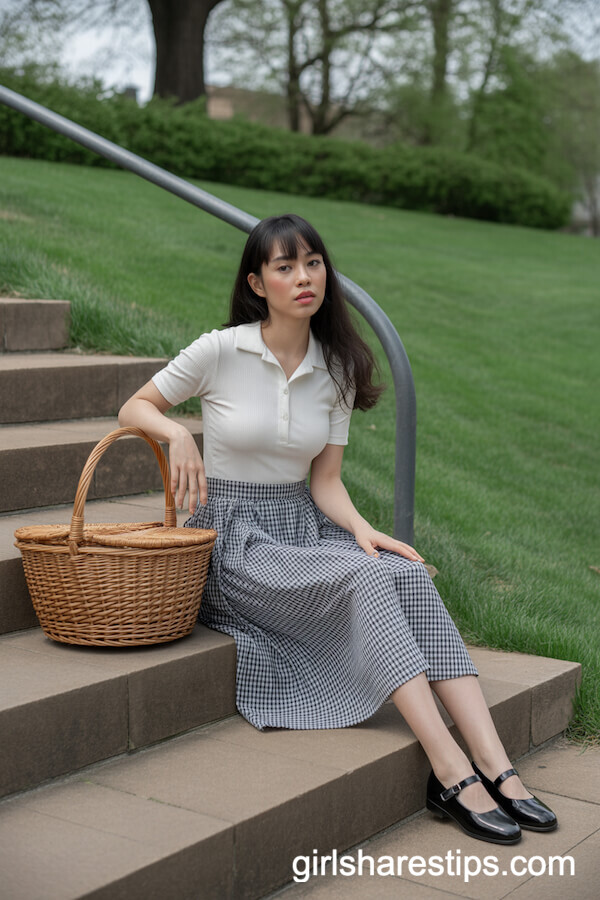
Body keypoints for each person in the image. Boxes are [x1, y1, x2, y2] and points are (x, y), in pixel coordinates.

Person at [119, 213, 557, 844]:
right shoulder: (220, 349)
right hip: (238, 539)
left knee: (399, 569)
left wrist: (364, 529)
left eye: (314, 263)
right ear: (257, 282)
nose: (304, 277)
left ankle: (498, 765)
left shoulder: (338, 367)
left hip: (305, 527)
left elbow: (325, 481)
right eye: (285, 266)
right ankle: (450, 767)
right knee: (363, 578)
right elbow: (136, 405)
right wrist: (175, 433)